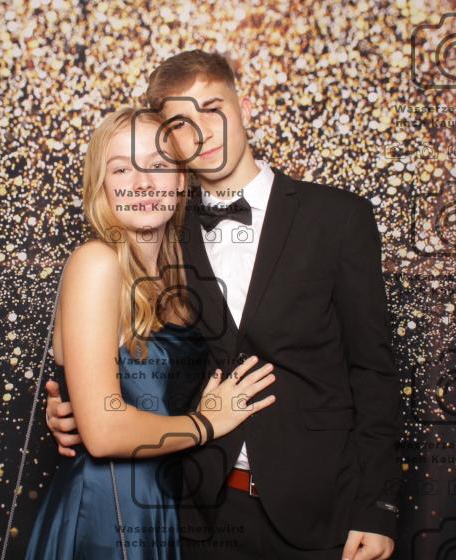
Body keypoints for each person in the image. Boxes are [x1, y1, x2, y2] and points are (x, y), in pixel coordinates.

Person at [45, 51, 403, 560]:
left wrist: (378, 506)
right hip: (198, 513)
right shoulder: (164, 232)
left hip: (322, 513)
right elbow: (126, 359)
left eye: (213, 108)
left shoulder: (337, 217)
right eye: (181, 123)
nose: (203, 132)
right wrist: (76, 408)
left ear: (245, 107)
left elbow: (372, 370)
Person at [25, 106, 278, 560]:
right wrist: (206, 423)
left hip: (163, 506)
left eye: (157, 165)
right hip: (107, 513)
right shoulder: (96, 263)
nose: (142, 184)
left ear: (180, 180)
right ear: (101, 184)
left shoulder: (178, 275)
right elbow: (103, 433)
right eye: (122, 168)